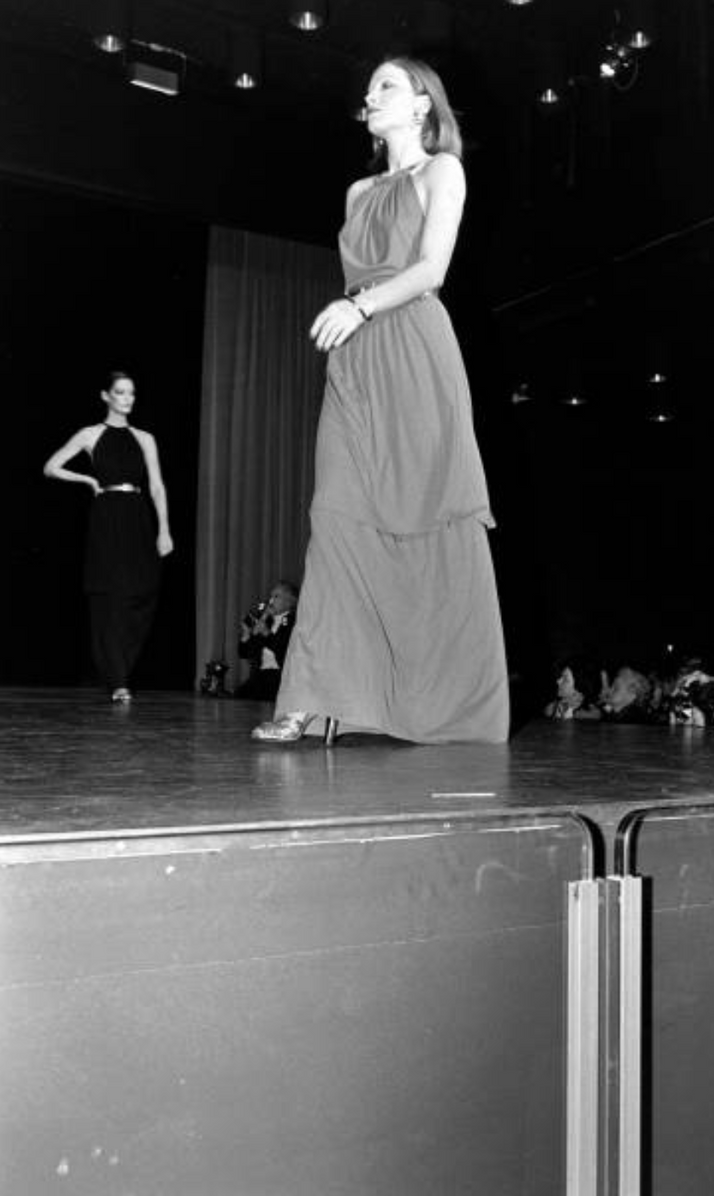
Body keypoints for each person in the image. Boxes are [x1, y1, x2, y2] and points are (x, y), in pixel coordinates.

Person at [252, 56, 509, 745]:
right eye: (367, 88)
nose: (369, 95)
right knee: (335, 516)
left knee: (428, 518)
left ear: (424, 104)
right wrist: (356, 316)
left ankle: (445, 700)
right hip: (357, 362)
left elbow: (431, 270)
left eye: (386, 85)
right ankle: (307, 697)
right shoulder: (358, 191)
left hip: (414, 352)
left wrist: (360, 306)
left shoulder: (442, 171)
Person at [43, 370, 173, 702]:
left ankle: (118, 671)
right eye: (120, 392)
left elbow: (157, 486)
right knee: (109, 596)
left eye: (131, 393)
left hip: (138, 516)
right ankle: (118, 680)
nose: (127, 399)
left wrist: (164, 529)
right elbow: (51, 466)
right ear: (106, 396)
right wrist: (86, 481)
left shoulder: (145, 438)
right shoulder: (89, 434)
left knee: (142, 592)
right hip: (106, 517)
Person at [235, 581, 298, 701]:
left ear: (290, 601)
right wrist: (246, 634)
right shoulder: (267, 621)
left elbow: (284, 650)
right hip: (261, 675)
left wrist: (266, 633)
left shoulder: (293, 622)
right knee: (239, 696)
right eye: (271, 596)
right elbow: (244, 653)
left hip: (281, 677)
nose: (270, 601)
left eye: (276, 596)